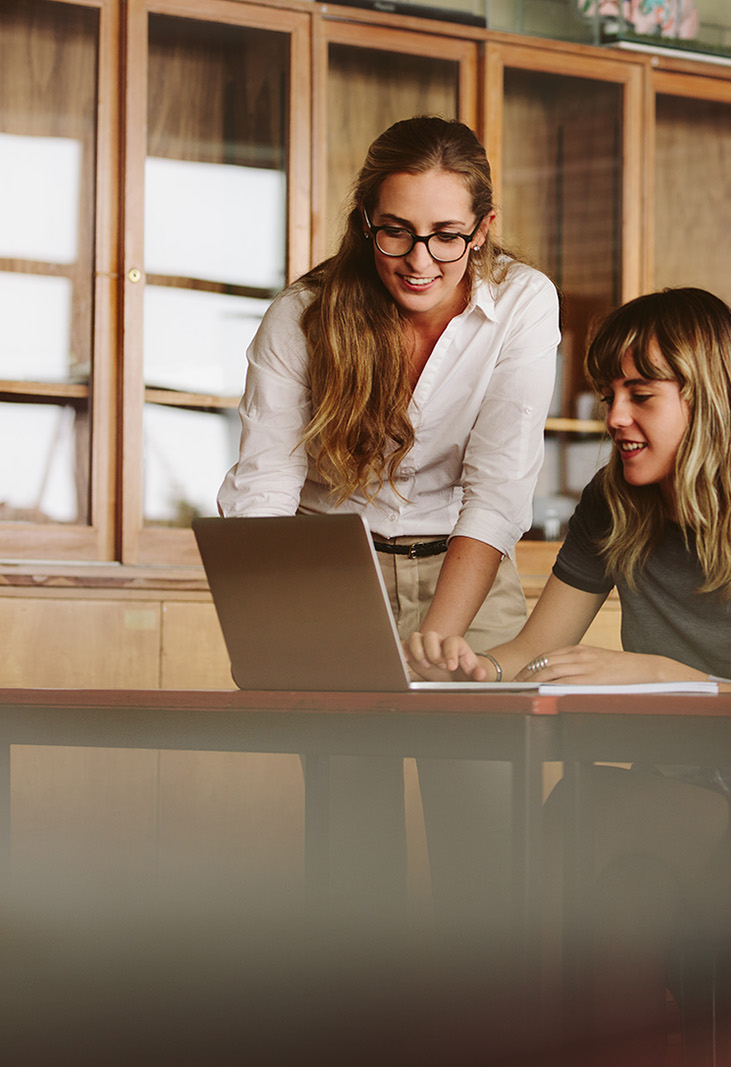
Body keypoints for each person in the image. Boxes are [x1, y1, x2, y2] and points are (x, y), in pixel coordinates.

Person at [409, 287, 731, 1067]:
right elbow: (536, 647)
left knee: (588, 810)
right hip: (665, 790)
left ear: (710, 397)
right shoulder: (612, 501)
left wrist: (658, 673)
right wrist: (472, 666)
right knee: (621, 892)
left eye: (640, 395)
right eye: (608, 394)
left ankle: (503, 1029)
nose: (614, 415)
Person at [217, 115, 561, 921]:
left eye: (446, 236)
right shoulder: (303, 315)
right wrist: (270, 630)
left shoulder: (522, 302)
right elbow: (265, 489)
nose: (419, 261)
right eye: (396, 233)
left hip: (467, 569)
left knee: (486, 833)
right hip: (339, 575)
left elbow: (498, 486)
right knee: (350, 845)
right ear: (365, 218)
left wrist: (442, 639)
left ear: (484, 229)